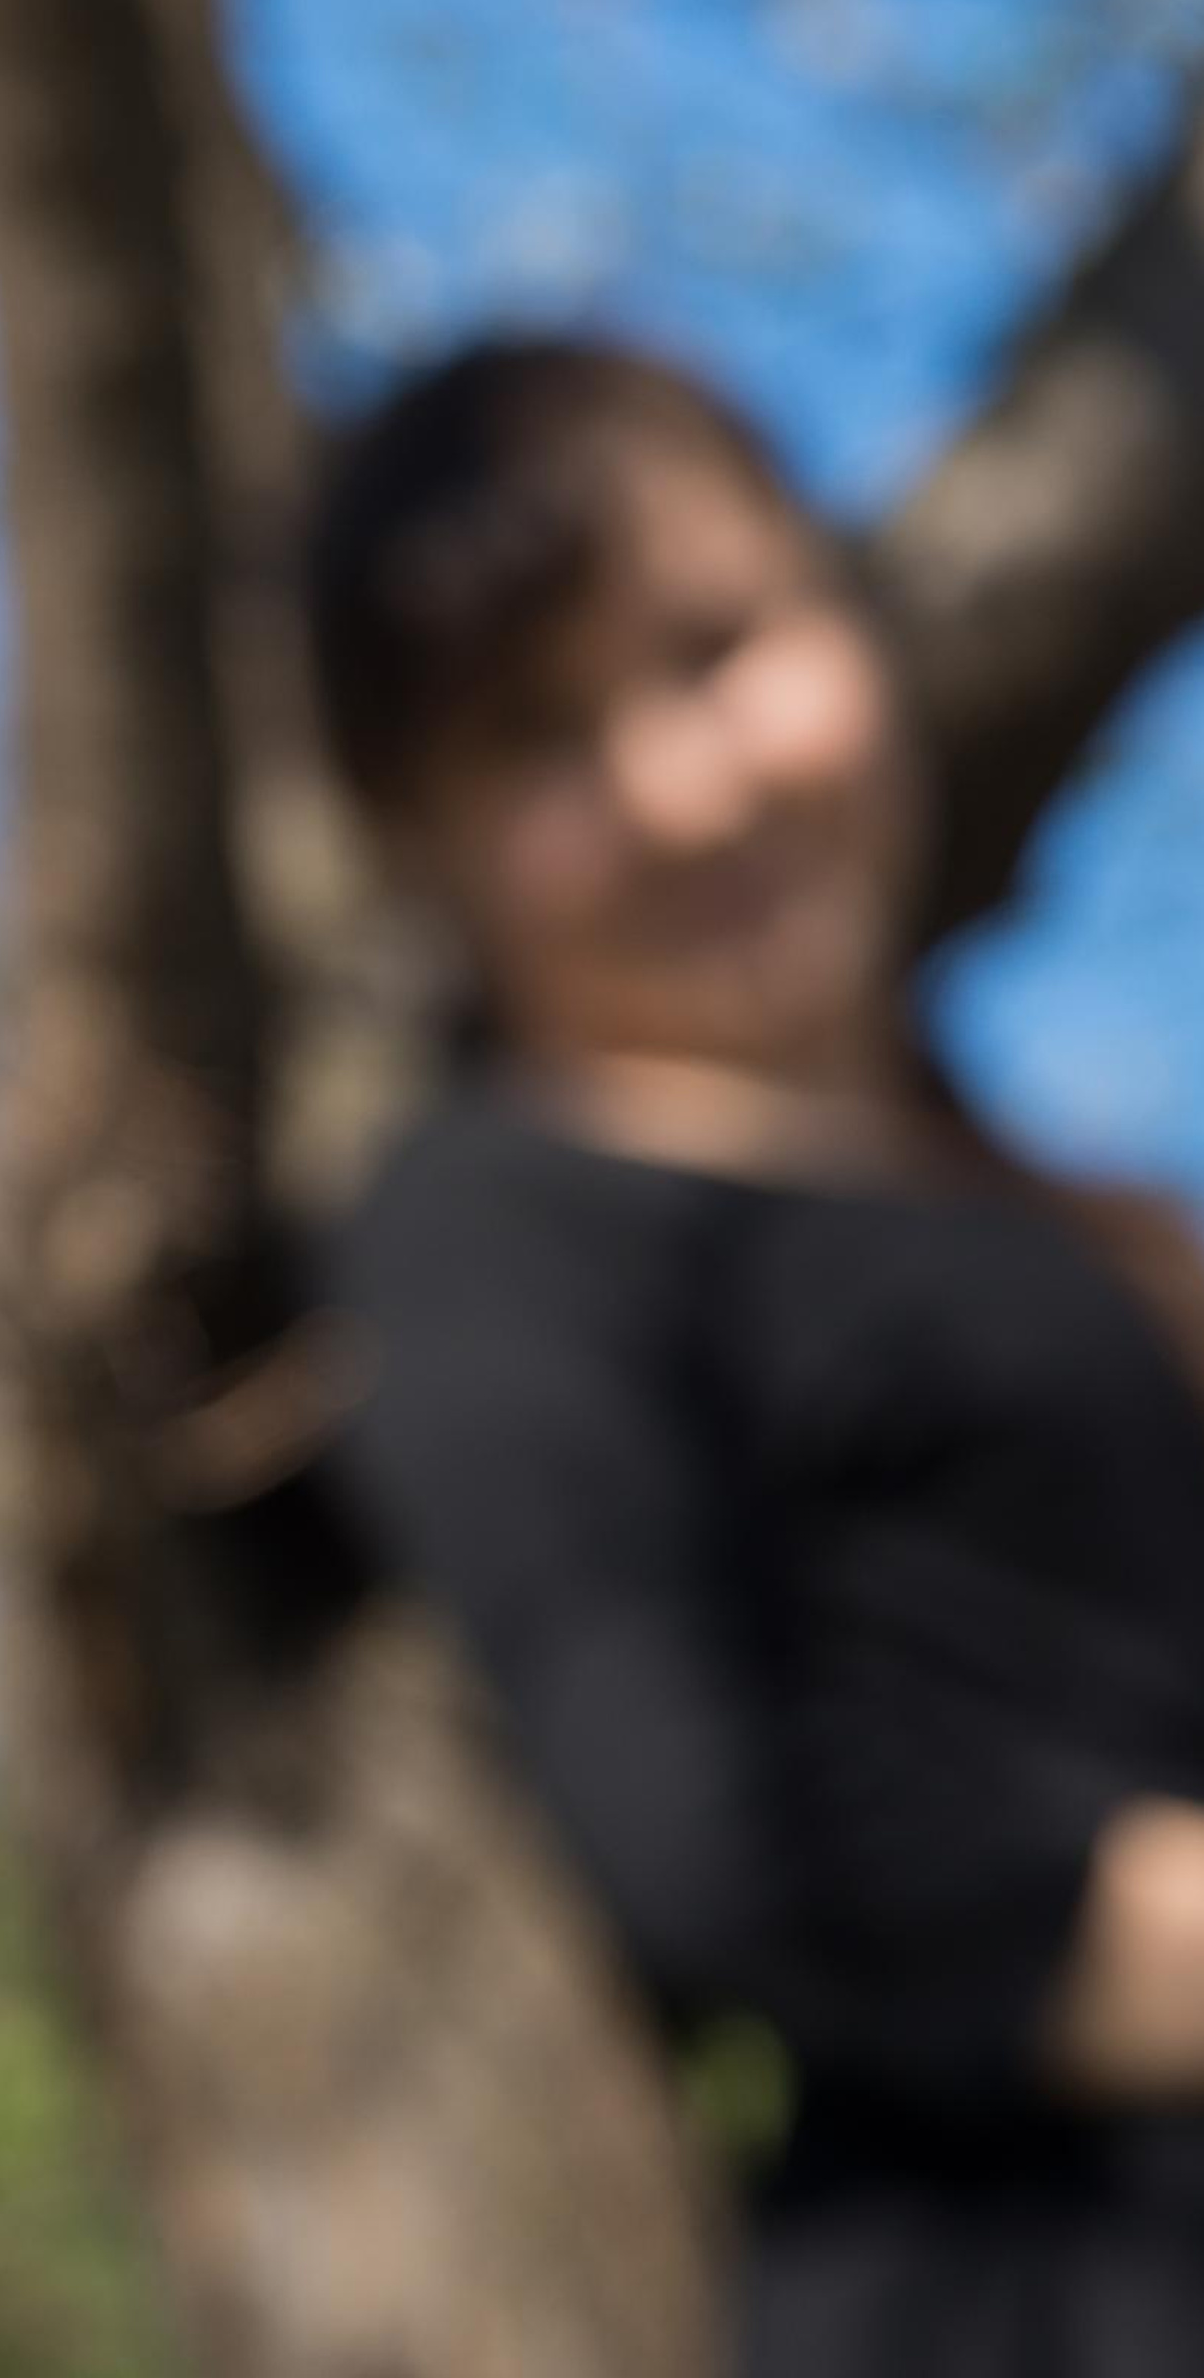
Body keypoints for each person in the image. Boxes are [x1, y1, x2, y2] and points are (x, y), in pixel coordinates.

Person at [305, 338, 1204, 2376]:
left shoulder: (1028, 1190)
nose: (682, 787)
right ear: (410, 838)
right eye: (536, 737)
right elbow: (734, 1853)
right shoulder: (489, 1225)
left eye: (716, 646)